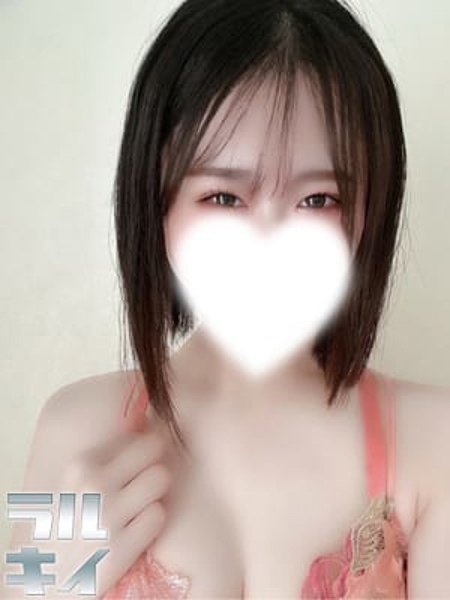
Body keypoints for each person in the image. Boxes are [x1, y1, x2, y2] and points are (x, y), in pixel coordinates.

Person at [3, 0, 450, 598]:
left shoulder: (436, 441)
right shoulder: (73, 426)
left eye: (318, 199)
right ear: (156, 200)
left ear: (370, 211)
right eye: (224, 197)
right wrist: (50, 583)